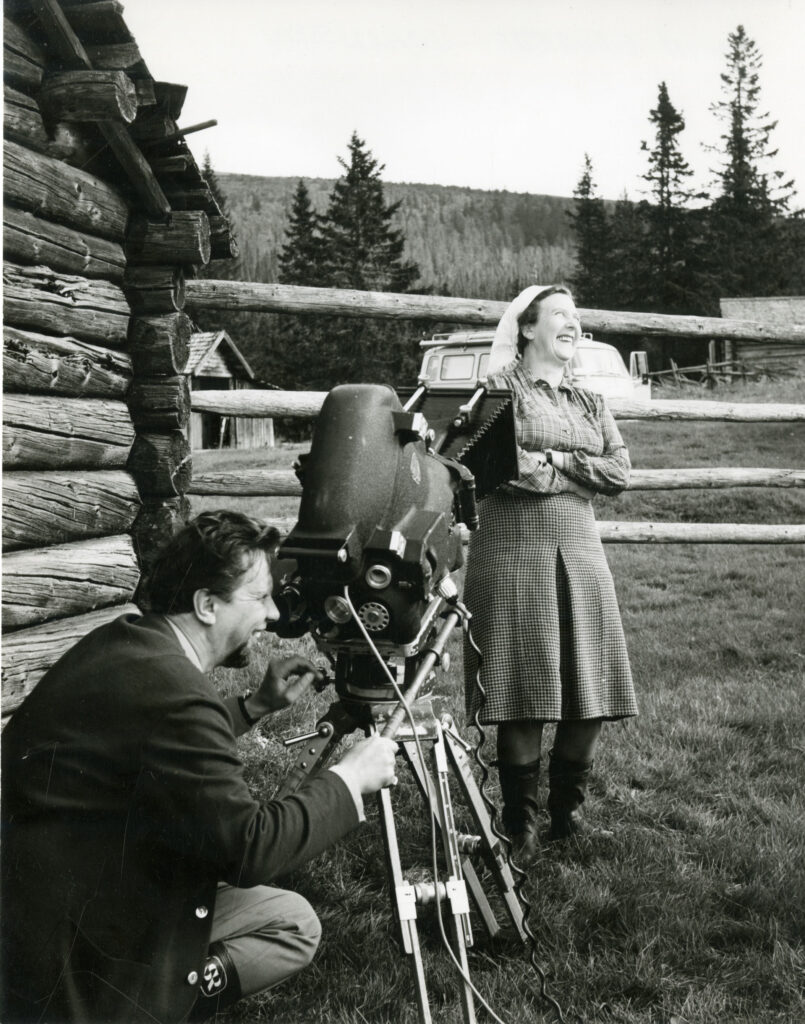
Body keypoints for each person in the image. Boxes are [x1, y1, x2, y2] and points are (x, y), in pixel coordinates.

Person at [1, 510, 398, 1023]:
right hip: (78, 945)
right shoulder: (176, 695)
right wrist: (349, 780)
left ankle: (162, 992)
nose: (273, 614)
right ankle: (142, 1005)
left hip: (63, 893)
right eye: (260, 597)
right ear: (207, 605)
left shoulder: (129, 642)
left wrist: (254, 707)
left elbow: (156, 746)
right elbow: (251, 848)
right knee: (278, 921)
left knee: (293, 921)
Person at [463, 285, 637, 865]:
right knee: (523, 690)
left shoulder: (589, 400)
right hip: (513, 552)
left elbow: (619, 471)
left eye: (577, 317)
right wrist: (577, 478)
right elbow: (503, 470)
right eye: (560, 315)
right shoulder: (497, 390)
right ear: (528, 327)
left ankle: (567, 816)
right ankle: (521, 824)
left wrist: (558, 460)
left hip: (582, 554)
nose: (573, 324)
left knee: (591, 687)